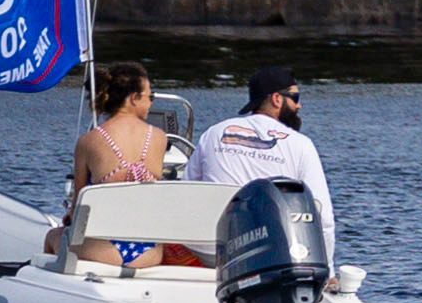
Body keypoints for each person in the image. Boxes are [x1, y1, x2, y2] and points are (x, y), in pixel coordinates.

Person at [194, 64, 339, 248]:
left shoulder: (213, 133)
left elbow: (187, 190)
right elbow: (322, 216)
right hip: (267, 255)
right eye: (295, 97)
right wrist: (328, 270)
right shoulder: (301, 144)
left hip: (211, 250)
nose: (299, 105)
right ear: (277, 99)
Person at [56, 62, 179, 263]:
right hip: (148, 253)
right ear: (134, 98)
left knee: (53, 238)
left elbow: (78, 204)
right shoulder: (158, 137)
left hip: (104, 252)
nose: (151, 103)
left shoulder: (88, 141)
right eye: (150, 97)